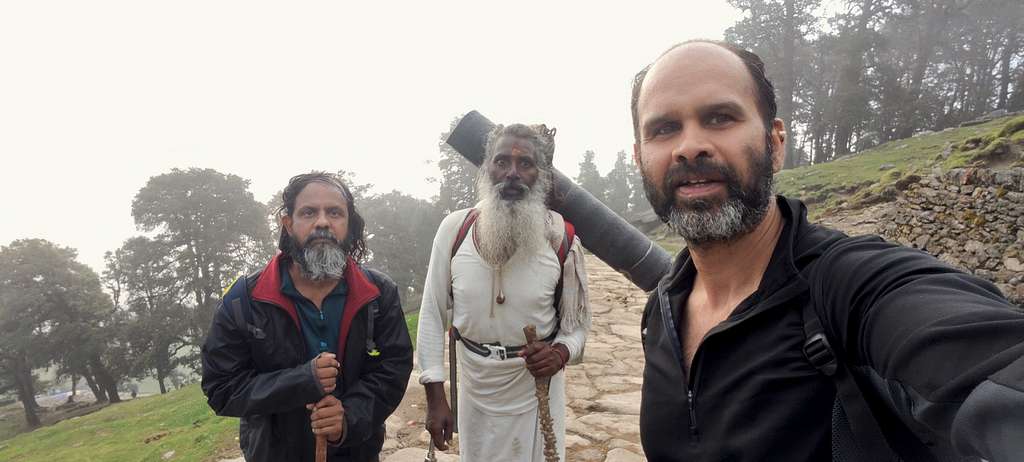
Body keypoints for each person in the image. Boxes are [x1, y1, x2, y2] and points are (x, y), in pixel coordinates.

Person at [630, 40, 1024, 461]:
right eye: (664, 128)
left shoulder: (852, 288)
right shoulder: (663, 309)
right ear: (639, 157)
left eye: (720, 117)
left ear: (775, 143)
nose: (689, 146)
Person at [201, 172, 413, 462]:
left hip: (357, 451)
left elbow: (393, 369)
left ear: (348, 223)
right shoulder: (243, 301)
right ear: (288, 224)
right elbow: (221, 388)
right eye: (309, 212)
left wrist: (348, 418)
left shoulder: (378, 294)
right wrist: (301, 381)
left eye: (335, 212)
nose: (323, 222)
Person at [417, 123, 591, 461]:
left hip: (536, 389)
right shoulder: (455, 229)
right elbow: (431, 313)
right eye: (501, 162)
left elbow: (578, 327)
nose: (512, 173)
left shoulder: (562, 238)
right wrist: (435, 396)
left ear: (540, 175)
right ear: (487, 168)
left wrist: (559, 354)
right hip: (474, 389)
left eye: (525, 164)